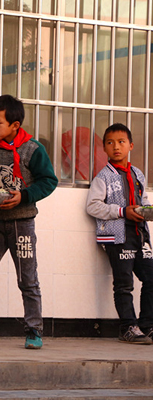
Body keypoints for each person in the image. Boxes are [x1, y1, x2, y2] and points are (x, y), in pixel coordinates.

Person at [0, 95, 58, 350]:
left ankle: (34, 330)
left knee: (28, 280)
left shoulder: (33, 149)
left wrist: (24, 196)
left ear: (15, 125)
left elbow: (49, 181)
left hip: (23, 224)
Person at [86, 123, 153, 344]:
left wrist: (146, 211)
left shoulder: (138, 174)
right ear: (104, 148)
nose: (116, 147)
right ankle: (127, 327)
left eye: (121, 142)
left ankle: (146, 325)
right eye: (110, 142)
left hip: (140, 235)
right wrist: (122, 211)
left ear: (131, 145)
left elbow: (142, 202)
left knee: (151, 277)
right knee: (124, 284)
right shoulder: (102, 177)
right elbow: (93, 206)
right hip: (116, 237)